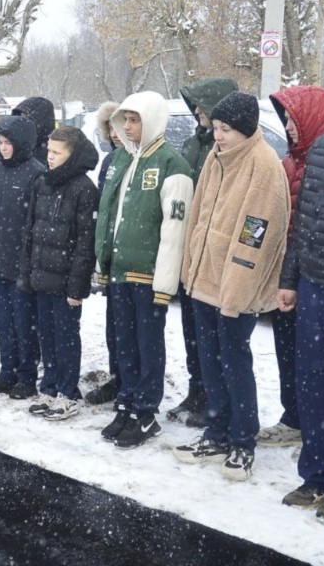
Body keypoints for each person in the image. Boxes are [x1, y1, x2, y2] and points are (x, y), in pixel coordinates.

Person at [174, 92, 289, 481]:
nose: (217, 136)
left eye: (225, 130)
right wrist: (189, 265)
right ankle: (217, 431)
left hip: (235, 288)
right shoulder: (215, 158)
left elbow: (258, 233)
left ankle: (243, 440)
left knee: (234, 363)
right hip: (205, 281)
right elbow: (199, 216)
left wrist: (236, 291)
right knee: (210, 363)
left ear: (245, 128)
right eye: (216, 128)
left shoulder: (264, 166)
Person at [95, 92, 193, 449]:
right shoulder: (121, 159)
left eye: (135, 121)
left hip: (150, 276)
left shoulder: (172, 164)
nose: (128, 128)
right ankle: (127, 401)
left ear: (151, 121)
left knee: (147, 344)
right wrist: (102, 261)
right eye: (125, 120)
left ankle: (146, 411)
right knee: (123, 343)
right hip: (120, 270)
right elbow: (108, 214)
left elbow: (174, 231)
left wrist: (165, 282)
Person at [260, 86, 324, 447]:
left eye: (292, 119)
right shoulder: (292, 160)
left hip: (317, 278)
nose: (288, 126)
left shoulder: (319, 159)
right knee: (291, 355)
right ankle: (297, 417)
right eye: (285, 120)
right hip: (292, 272)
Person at [168, 77, 238, 427]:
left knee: (215, 338)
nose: (196, 111)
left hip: (213, 251)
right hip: (189, 248)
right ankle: (197, 391)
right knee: (191, 330)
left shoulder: (225, 148)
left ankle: (215, 399)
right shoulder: (193, 142)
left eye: (202, 105)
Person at [276, 101, 324, 523]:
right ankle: (315, 476)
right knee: (313, 385)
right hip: (314, 286)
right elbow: (301, 224)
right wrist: (290, 279)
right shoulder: (321, 150)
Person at [20, 126, 99, 420]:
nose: (50, 158)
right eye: (49, 152)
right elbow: (30, 232)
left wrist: (76, 288)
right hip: (42, 277)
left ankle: (68, 392)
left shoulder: (84, 189)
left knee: (66, 337)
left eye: (57, 153)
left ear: (72, 154)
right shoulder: (42, 183)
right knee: (47, 336)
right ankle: (49, 387)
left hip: (66, 281)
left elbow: (84, 243)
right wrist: (27, 274)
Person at [0, 114, 44, 398]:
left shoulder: (36, 173)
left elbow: (36, 223)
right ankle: (7, 371)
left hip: (23, 263)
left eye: (8, 143)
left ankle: (26, 376)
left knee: (24, 323)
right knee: (4, 322)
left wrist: (30, 262)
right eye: (0, 142)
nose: (3, 148)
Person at [85, 101, 122, 406]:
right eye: (109, 127)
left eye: (119, 125)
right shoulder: (110, 161)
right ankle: (115, 376)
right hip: (110, 252)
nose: (115, 133)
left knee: (129, 328)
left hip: (132, 258)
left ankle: (128, 384)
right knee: (113, 326)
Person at [12, 96, 56, 166]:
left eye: (27, 119)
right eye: (20, 118)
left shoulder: (54, 151)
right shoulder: (12, 145)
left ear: (41, 121)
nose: (22, 124)